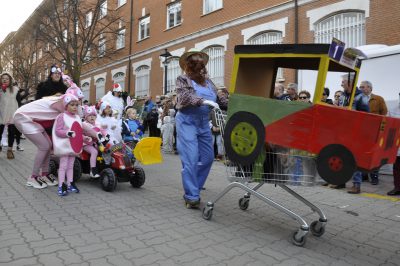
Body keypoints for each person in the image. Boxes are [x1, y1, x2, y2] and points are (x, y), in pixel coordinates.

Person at [13, 79, 97, 189]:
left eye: (79, 102)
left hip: (33, 120)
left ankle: (45, 174)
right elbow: (80, 124)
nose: (78, 105)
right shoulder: (62, 104)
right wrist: (97, 134)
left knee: (47, 146)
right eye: (76, 102)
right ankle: (33, 177)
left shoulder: (63, 102)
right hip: (22, 117)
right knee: (44, 146)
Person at [175, 48, 228, 208]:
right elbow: (185, 96)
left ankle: (194, 186)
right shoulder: (182, 79)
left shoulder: (209, 82)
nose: (198, 63)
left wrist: (237, 101)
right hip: (187, 122)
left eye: (201, 61)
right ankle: (191, 195)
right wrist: (202, 101)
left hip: (204, 123)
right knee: (190, 159)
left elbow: (221, 100)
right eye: (194, 60)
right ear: (188, 65)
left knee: (207, 158)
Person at [358, 80, 388, 185]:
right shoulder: (358, 99)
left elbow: (384, 113)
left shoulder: (378, 99)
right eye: (360, 87)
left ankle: (374, 176)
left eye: (363, 87)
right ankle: (364, 175)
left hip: (375, 132)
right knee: (362, 154)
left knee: (374, 154)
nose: (361, 88)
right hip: (362, 131)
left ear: (370, 88)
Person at [52, 93, 82, 196]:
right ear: (66, 106)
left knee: (71, 166)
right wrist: (67, 133)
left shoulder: (77, 117)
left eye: (76, 105)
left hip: (74, 147)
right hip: (65, 146)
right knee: (63, 166)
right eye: (72, 104)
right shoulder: (62, 116)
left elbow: (79, 131)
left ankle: (70, 184)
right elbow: (58, 131)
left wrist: (84, 138)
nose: (75, 107)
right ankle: (61, 185)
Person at [0, 73, 19, 159]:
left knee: (12, 132)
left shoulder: (15, 90)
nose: (4, 80)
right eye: (3, 78)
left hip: (12, 113)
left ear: (10, 80)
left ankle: (9, 150)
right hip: (2, 113)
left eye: (7, 78)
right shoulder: (0, 90)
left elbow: (19, 101)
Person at [82, 105, 101, 178]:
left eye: (93, 115)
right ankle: (92, 171)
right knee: (94, 152)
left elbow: (102, 131)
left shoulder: (97, 124)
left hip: (95, 143)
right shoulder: (85, 124)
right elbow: (90, 132)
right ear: (86, 117)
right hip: (86, 143)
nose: (92, 117)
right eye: (90, 115)